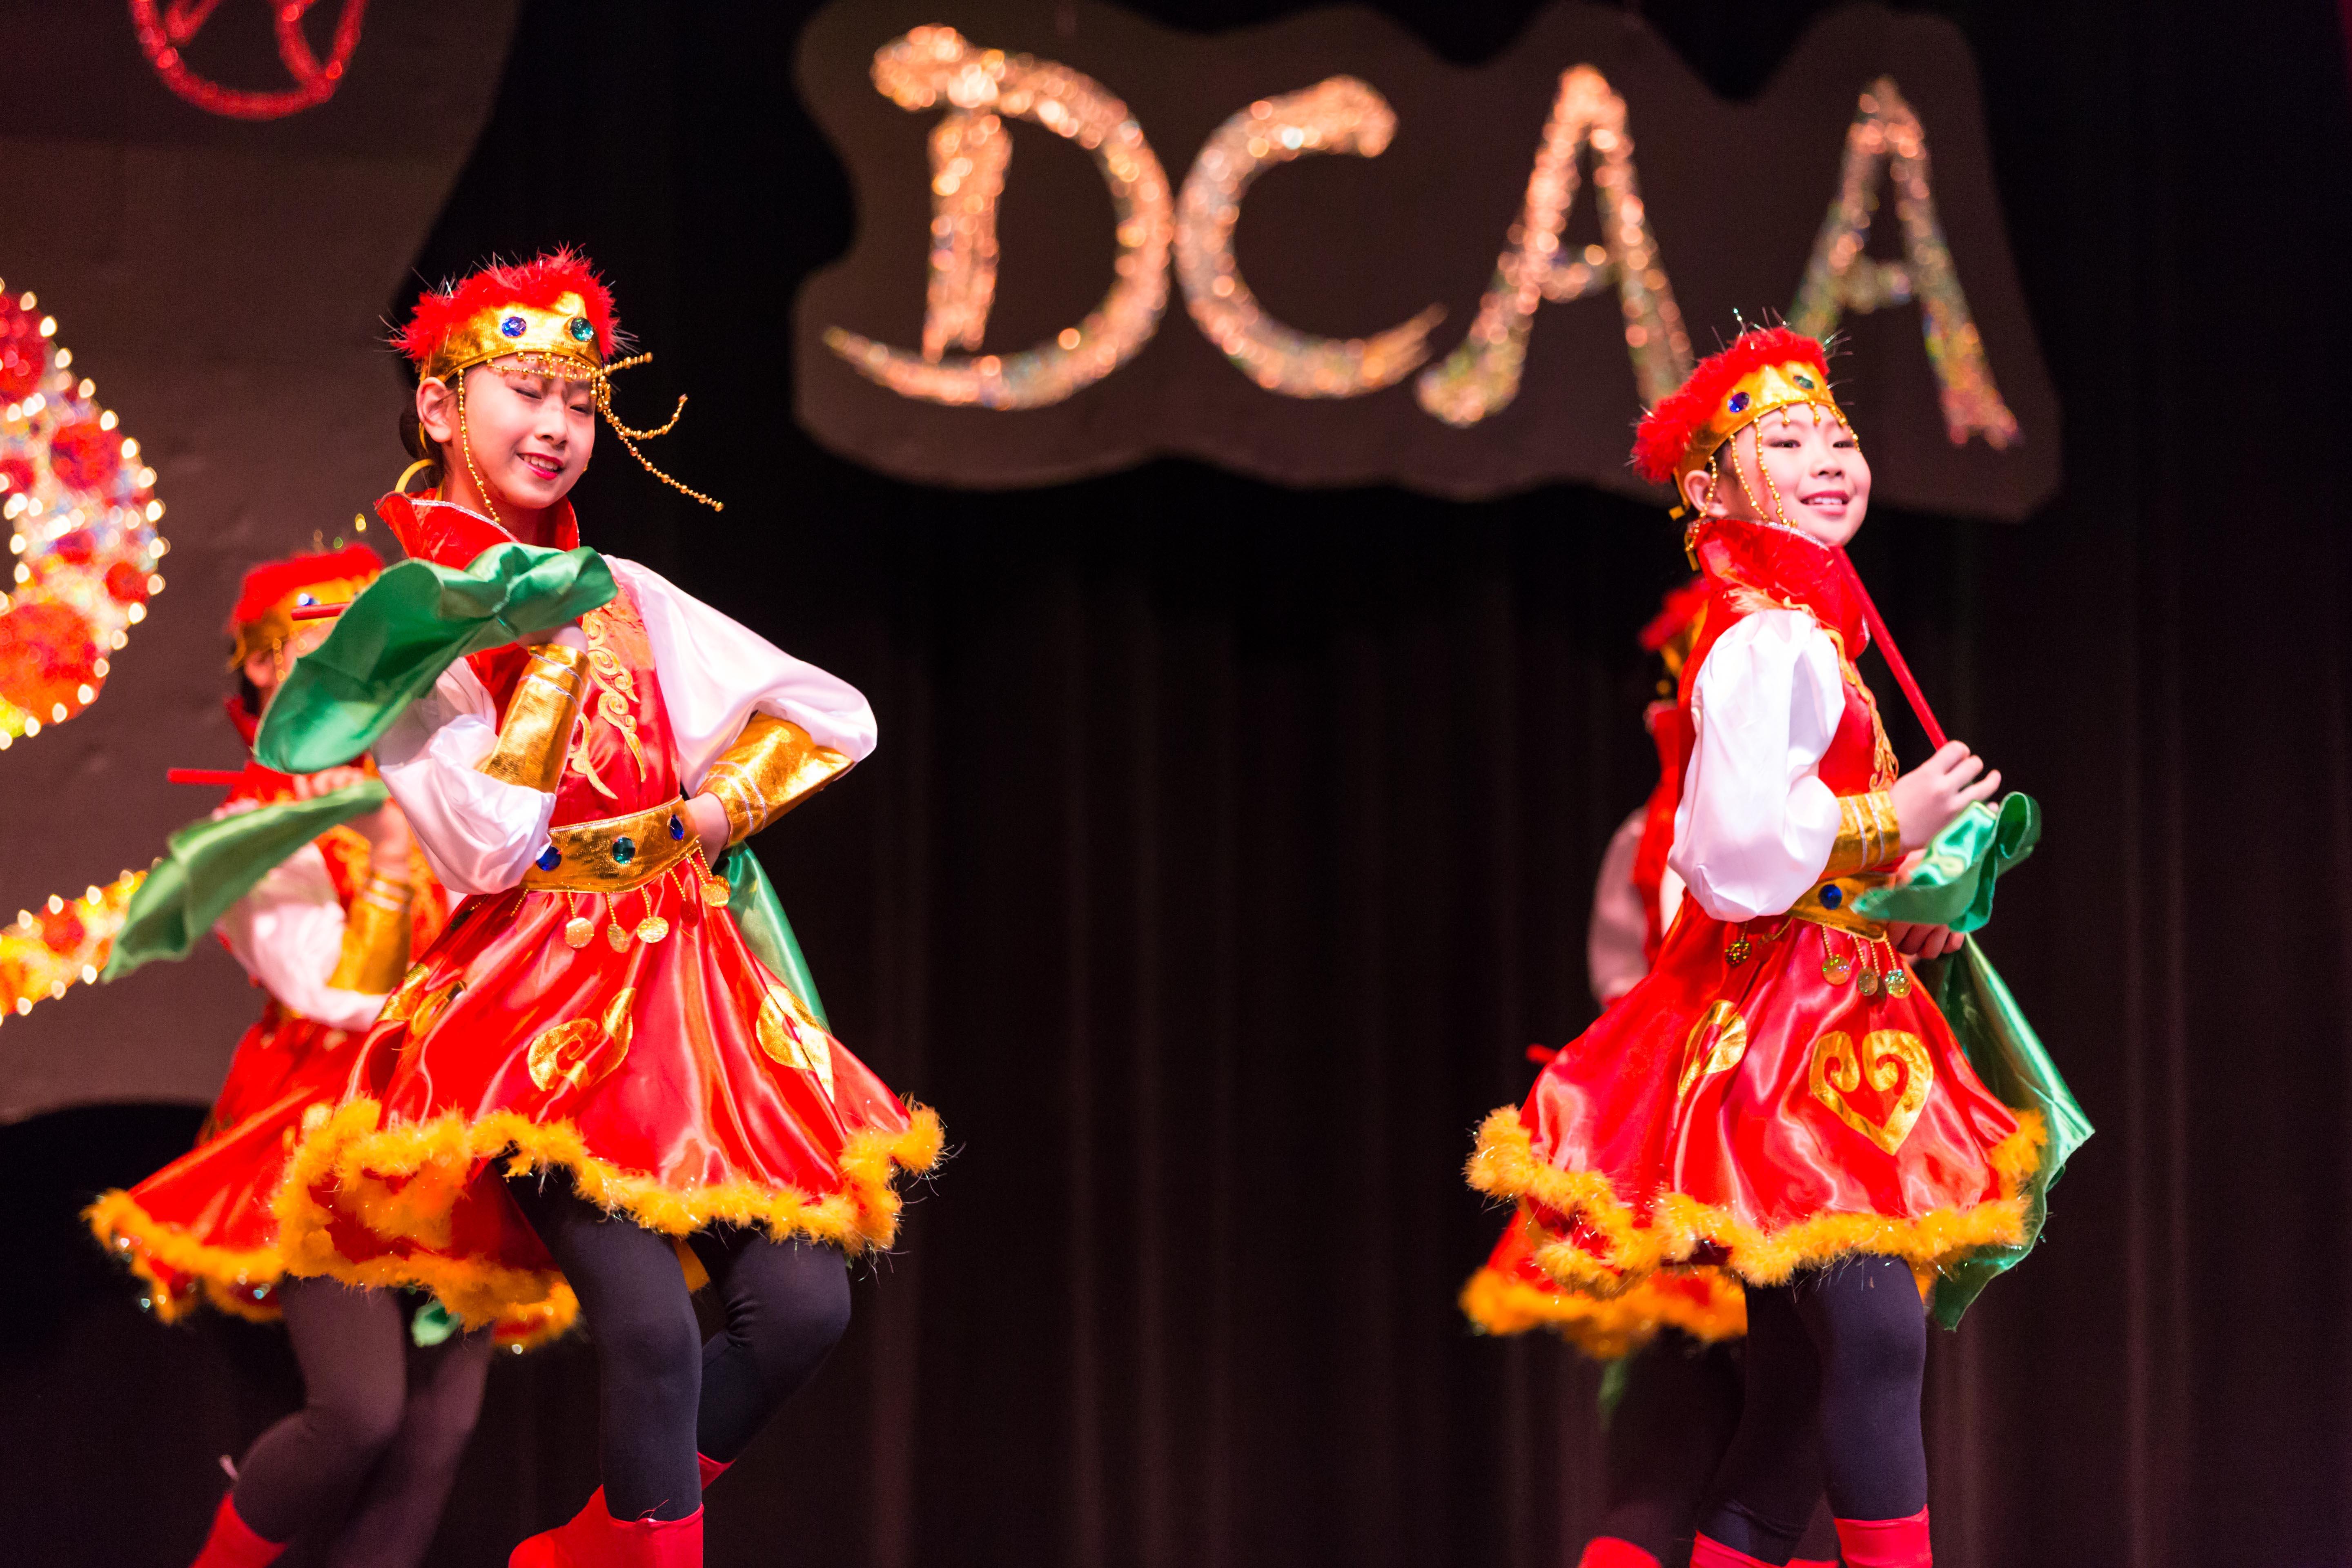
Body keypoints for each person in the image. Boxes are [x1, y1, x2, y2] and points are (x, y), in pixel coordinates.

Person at [260, 250, 942, 1568]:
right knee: (651, 1332)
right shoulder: (410, 629)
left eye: (580, 403)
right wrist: (551, 664)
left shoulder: (629, 587)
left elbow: (833, 713)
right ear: (440, 409)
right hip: (536, 1009)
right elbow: (490, 847)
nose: (559, 426)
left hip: (688, 991)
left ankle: (584, 1550)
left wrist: (710, 814)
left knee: (803, 1308)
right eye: (527, 393)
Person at [1466, 327, 2046, 1568]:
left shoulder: (1807, 633)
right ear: (1709, 489)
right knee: (1872, 1348)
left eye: (1839, 435)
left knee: (1792, 1396)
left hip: (1837, 1017)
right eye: (1785, 442)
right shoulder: (1764, 637)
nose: (1828, 457)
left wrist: (1911, 891)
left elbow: (1798, 855)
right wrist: (1895, 819)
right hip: (1794, 1044)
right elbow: (1730, 859)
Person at [86, 545, 501, 1568]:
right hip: (318, 1129)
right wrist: (394, 864)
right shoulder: (257, 826)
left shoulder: (432, 780)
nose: (346, 662)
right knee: (360, 1409)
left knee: (441, 1427)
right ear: (263, 665)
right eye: (313, 643)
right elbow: (331, 992)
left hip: (452, 1118)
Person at [1463, 581, 1838, 1568]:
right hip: (1741, 1151)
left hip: (1719, 1150)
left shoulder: (1705, 828)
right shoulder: (1704, 835)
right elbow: (1637, 987)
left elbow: (1622, 988)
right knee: (1745, 1442)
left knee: (1734, 1446)